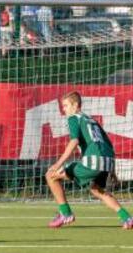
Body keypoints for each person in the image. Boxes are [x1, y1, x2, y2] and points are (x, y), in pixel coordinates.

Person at [45, 91, 133, 229]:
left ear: (75, 105)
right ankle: (127, 218)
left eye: (66, 105)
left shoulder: (74, 118)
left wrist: (58, 163)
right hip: (107, 161)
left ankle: (65, 213)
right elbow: (108, 144)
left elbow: (74, 141)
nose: (64, 109)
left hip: (93, 162)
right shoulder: (91, 120)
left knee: (51, 175)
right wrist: (113, 170)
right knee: (96, 189)